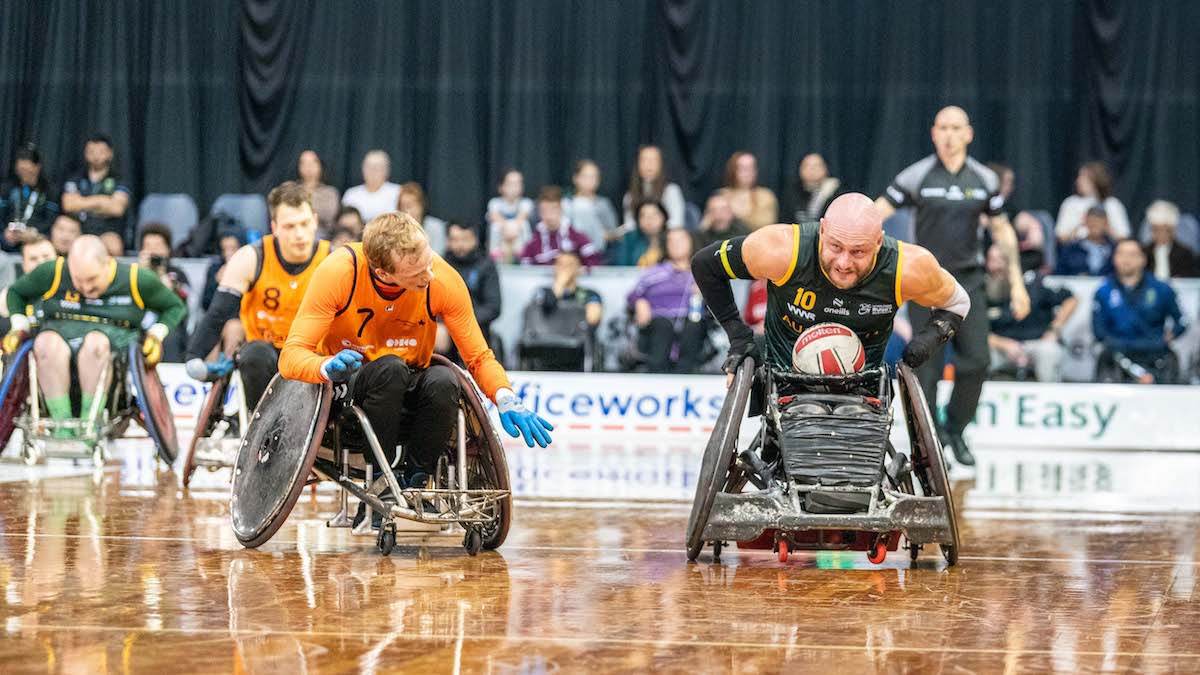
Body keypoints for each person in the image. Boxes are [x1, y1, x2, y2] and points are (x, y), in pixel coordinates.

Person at [278, 212, 553, 502]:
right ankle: (380, 484)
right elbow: (290, 356)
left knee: (445, 380)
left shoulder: (443, 279)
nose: (429, 275)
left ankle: (417, 480)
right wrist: (323, 366)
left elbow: (479, 357)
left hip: (408, 380)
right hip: (352, 386)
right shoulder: (339, 272)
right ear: (383, 273)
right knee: (390, 370)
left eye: (429, 262)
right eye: (417, 274)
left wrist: (505, 396)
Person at [694, 193, 975, 463]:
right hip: (784, 378)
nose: (844, 263)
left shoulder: (908, 266)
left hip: (862, 386)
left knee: (857, 426)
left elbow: (958, 302)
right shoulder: (782, 249)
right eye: (836, 247)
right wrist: (740, 338)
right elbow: (705, 265)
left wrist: (927, 341)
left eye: (858, 252)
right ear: (823, 231)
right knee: (801, 422)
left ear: (878, 242)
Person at [874, 106, 1028, 466]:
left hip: (968, 282)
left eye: (956, 128)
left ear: (968, 134)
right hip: (926, 282)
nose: (948, 134)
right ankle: (929, 445)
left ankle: (956, 429)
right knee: (926, 368)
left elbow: (1002, 230)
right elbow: (878, 210)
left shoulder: (984, 179)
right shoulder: (917, 176)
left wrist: (1018, 284)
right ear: (933, 133)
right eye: (942, 127)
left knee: (977, 361)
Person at [2, 236, 186, 435]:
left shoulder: (136, 279)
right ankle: (61, 425)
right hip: (60, 333)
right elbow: (16, 293)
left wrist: (156, 333)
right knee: (45, 343)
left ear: (107, 262)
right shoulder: (52, 271)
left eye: (92, 279)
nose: (86, 288)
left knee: (95, 344)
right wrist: (19, 325)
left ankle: (89, 425)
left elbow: (174, 306)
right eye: (78, 281)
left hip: (111, 341)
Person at [184, 181, 331, 409]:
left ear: (315, 221)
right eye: (290, 226)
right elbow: (218, 313)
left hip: (312, 354)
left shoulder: (332, 259)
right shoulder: (250, 257)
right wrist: (193, 355)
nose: (300, 234)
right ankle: (260, 425)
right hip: (266, 351)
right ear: (275, 227)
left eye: (304, 223)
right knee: (254, 353)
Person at [1092, 239, 1187, 385]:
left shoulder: (1161, 289)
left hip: (1155, 353)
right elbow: (1098, 329)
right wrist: (1113, 344)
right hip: (1117, 353)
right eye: (1121, 254)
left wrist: (1171, 335)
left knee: (1170, 360)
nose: (1126, 259)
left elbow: (1182, 320)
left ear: (1143, 259)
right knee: (1105, 356)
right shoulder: (1103, 291)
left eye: (1132, 254)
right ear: (1114, 259)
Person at [985, 245, 1078, 382]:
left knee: (1049, 352)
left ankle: (1049, 399)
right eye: (991, 260)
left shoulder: (1033, 281)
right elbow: (975, 330)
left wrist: (1054, 329)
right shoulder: (982, 288)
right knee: (981, 357)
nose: (995, 267)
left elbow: (1071, 299)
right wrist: (1003, 344)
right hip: (1001, 345)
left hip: (1036, 342)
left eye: (1000, 260)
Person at [627, 229, 707, 373]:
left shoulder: (702, 272)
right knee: (663, 326)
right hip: (657, 322)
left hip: (692, 322)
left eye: (681, 240)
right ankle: (658, 375)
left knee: (693, 325)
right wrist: (640, 302)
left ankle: (686, 375)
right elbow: (633, 295)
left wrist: (706, 293)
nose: (676, 244)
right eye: (671, 241)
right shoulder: (654, 272)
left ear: (691, 243)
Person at [437, 221, 502, 355]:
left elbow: (493, 307)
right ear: (447, 241)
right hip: (444, 328)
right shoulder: (439, 265)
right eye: (455, 239)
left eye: (465, 239)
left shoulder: (486, 266)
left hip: (476, 327)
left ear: (475, 240)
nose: (460, 245)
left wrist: (461, 323)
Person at [60, 134, 131, 257]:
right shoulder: (75, 179)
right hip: (78, 228)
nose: (96, 156)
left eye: (101, 151)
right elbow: (69, 205)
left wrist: (82, 202)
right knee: (62, 227)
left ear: (110, 153)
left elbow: (117, 208)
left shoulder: (119, 180)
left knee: (114, 245)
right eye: (91, 151)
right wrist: (102, 201)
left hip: (107, 230)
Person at [137, 223, 192, 362]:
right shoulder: (133, 274)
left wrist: (162, 277)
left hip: (169, 326)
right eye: (148, 246)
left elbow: (185, 303)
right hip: (139, 324)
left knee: (170, 337)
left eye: (158, 246)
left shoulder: (177, 274)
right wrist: (142, 273)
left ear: (168, 249)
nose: (153, 251)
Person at [519, 186, 601, 266]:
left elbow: (594, 263)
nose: (548, 216)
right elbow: (525, 270)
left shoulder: (577, 237)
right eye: (544, 211)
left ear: (561, 209)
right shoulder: (533, 242)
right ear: (539, 213)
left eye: (553, 210)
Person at [1, 143, 60, 252]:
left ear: (37, 167)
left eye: (28, 171)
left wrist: (35, 232)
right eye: (21, 171)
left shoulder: (49, 191)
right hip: (7, 242)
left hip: (36, 239)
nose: (25, 175)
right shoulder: (8, 188)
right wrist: (5, 232)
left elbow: (52, 220)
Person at [1055, 161, 1130, 242]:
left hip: (1108, 250)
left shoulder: (1113, 204)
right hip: (1077, 250)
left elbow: (1124, 238)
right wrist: (1083, 223)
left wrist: (1104, 226)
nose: (1078, 181)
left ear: (1097, 179)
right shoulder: (1070, 203)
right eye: (1079, 177)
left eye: (1083, 177)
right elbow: (1060, 237)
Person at [622, 145, 685, 229]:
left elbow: (676, 223)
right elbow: (629, 226)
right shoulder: (630, 196)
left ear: (661, 165)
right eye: (644, 160)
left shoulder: (671, 191)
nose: (649, 164)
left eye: (654, 160)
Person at [564, 159, 619, 252]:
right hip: (571, 253)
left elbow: (613, 233)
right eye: (585, 176)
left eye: (593, 177)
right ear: (575, 178)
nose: (589, 181)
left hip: (598, 253)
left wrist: (603, 234)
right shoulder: (566, 203)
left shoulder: (603, 204)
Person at [717, 151, 778, 230]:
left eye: (751, 168)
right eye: (743, 168)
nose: (748, 173)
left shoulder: (766, 196)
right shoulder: (721, 195)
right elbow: (707, 225)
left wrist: (735, 215)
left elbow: (767, 225)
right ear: (733, 170)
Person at [486, 168, 534, 264]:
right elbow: (495, 216)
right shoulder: (494, 203)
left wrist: (512, 228)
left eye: (518, 184)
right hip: (502, 240)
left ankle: (526, 254)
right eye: (510, 184)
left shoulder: (526, 203)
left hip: (518, 240)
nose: (514, 188)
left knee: (524, 225)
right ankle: (495, 254)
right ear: (501, 187)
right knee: (496, 226)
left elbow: (521, 218)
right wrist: (508, 228)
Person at [341, 150, 400, 223]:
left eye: (377, 167)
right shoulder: (351, 194)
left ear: (386, 171)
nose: (372, 171)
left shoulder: (398, 192)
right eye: (369, 167)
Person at [1143, 200, 1197, 279]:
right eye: (1156, 230)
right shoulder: (1144, 252)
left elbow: (1190, 277)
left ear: (1173, 231)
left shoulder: (1185, 253)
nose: (1161, 234)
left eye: (1165, 230)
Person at [1056, 207, 1116, 277]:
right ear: (1086, 222)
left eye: (1099, 222)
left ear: (1106, 223)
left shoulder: (1115, 250)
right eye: (1092, 222)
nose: (1095, 225)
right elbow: (1058, 275)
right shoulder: (1072, 249)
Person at [782, 153, 841, 223]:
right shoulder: (791, 192)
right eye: (807, 166)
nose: (812, 170)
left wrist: (824, 195)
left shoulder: (834, 193)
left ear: (826, 169)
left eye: (817, 166)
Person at [610, 200, 668, 267]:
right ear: (638, 220)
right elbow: (621, 268)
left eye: (654, 214)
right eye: (644, 216)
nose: (649, 219)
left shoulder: (672, 238)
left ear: (664, 217)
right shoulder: (629, 239)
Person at [397, 182, 446, 256]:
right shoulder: (394, 231)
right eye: (402, 207)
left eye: (409, 206)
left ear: (421, 205)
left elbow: (438, 256)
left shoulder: (435, 227)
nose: (406, 211)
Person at [297, 150, 340, 232]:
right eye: (303, 163)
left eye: (312, 162)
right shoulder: (293, 190)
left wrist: (300, 210)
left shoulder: (330, 192)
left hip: (323, 234)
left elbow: (328, 215)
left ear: (320, 165)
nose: (308, 167)